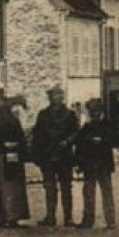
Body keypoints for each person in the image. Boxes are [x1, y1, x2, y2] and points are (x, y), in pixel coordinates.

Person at [30, 86, 80, 227]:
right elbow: (37, 135)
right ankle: (50, 216)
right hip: (48, 155)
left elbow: (76, 132)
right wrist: (37, 154)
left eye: (59, 96)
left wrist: (67, 141)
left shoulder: (69, 115)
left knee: (66, 187)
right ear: (50, 98)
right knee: (49, 187)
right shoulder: (43, 115)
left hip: (64, 156)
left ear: (62, 97)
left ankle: (68, 217)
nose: (56, 98)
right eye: (53, 96)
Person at [0, 95, 30, 227]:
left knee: (11, 186)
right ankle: (2, 216)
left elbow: (20, 137)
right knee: (1, 186)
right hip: (0, 155)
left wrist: (16, 147)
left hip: (8, 155)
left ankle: (11, 215)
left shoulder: (11, 119)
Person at [73, 98, 119, 229]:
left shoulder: (108, 125)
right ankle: (88, 220)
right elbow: (79, 145)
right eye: (91, 112)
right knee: (88, 193)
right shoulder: (87, 128)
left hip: (104, 165)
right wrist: (77, 163)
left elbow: (116, 140)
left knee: (107, 193)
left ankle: (111, 221)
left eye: (95, 111)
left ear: (101, 111)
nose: (93, 114)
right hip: (89, 165)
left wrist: (103, 141)